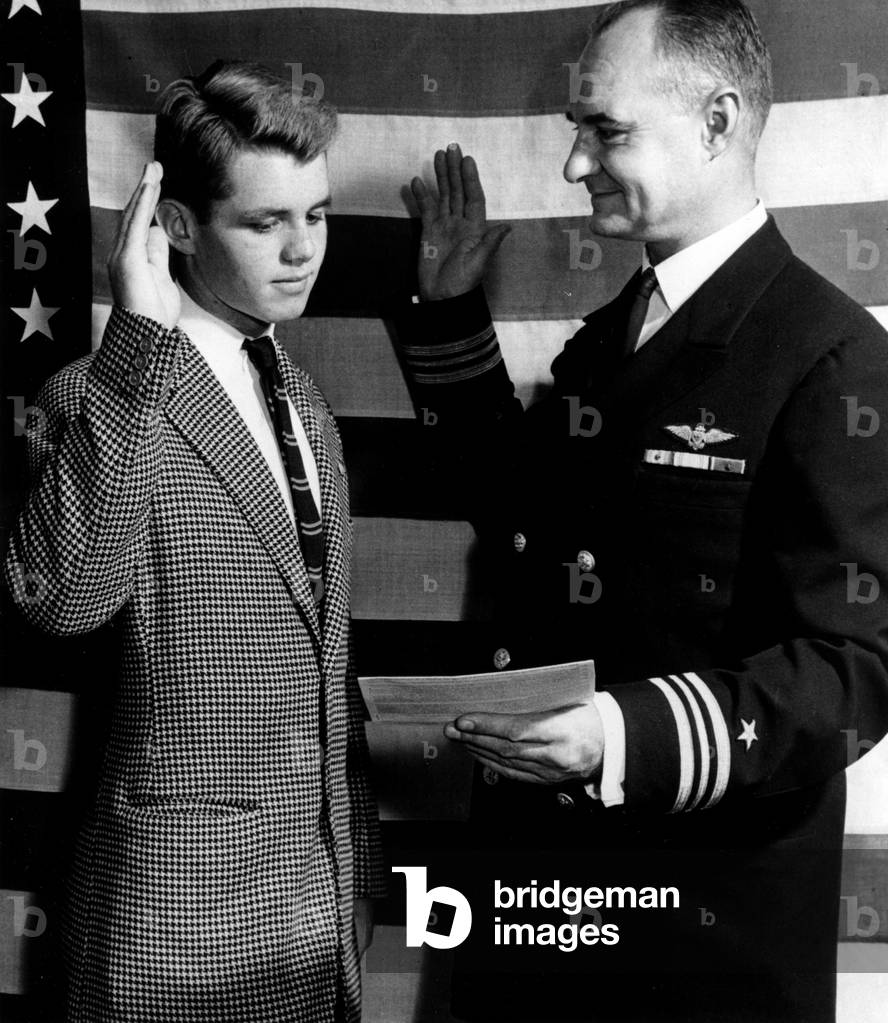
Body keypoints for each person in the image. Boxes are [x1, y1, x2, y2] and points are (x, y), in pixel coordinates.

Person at [388, 2, 888, 1021]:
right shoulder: (619, 331)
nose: (574, 166)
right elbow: (524, 516)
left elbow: (855, 671)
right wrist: (445, 308)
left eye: (604, 130)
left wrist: (626, 735)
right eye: (580, 131)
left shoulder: (831, 357)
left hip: (704, 929)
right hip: (548, 897)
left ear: (717, 119)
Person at [3, 60, 384, 1022]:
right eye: (266, 222)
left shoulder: (309, 409)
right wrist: (137, 333)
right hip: (176, 925)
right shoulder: (102, 396)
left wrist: (353, 878)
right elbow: (61, 595)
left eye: (318, 214)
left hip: (316, 924)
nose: (304, 250)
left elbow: (320, 670)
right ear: (175, 226)